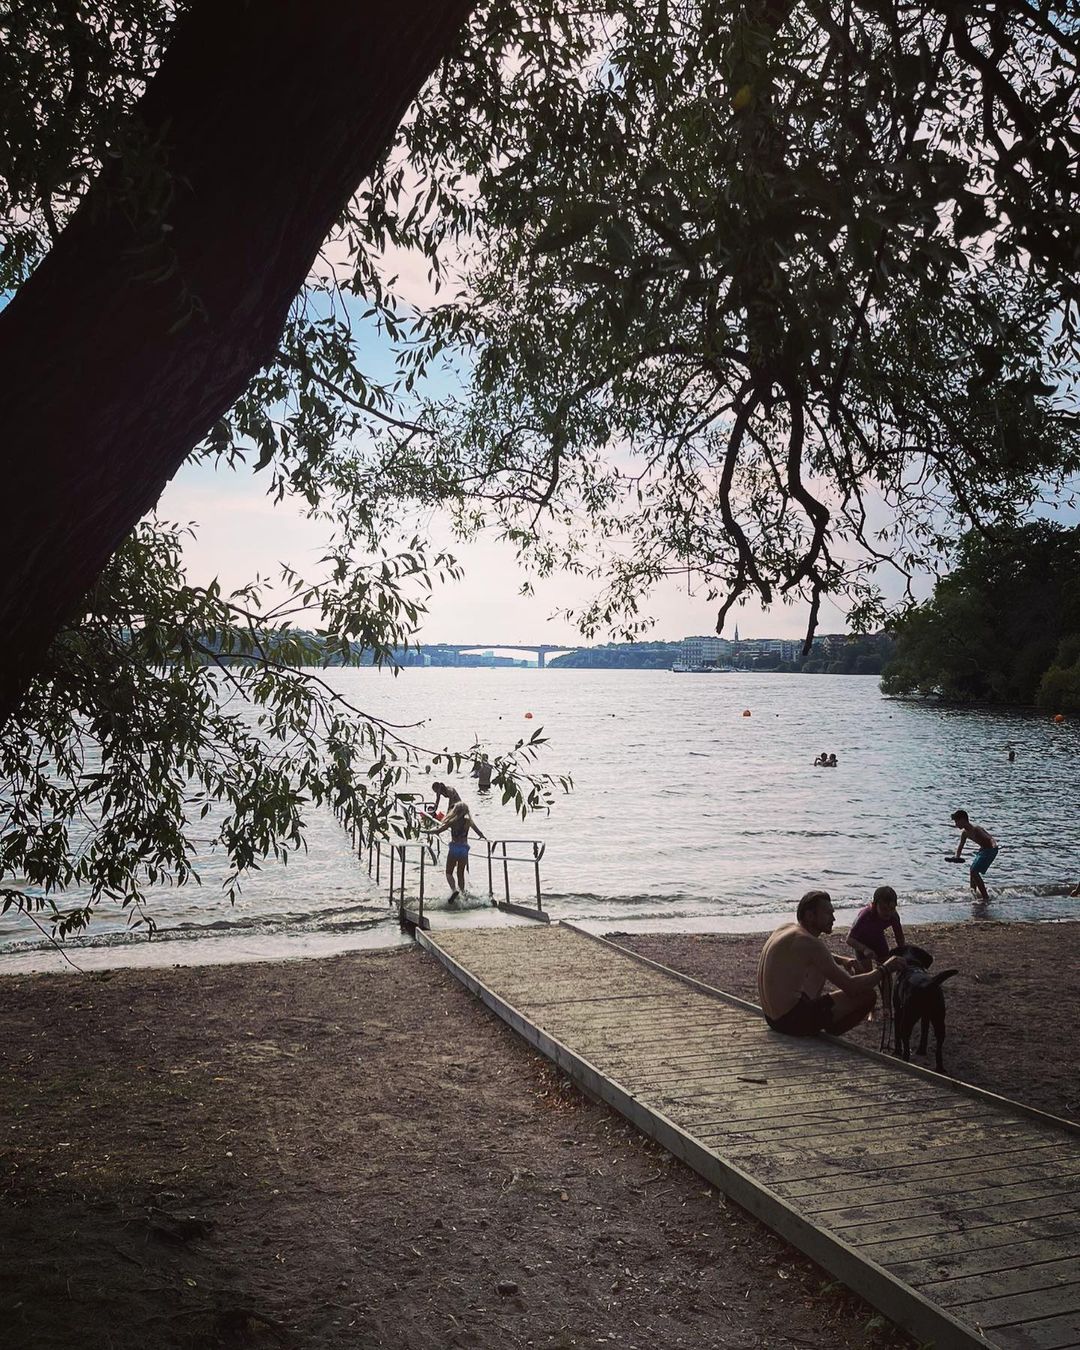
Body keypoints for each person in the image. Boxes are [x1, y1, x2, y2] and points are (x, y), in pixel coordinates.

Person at [757, 891, 901, 1037]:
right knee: (868, 995)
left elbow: (814, 956)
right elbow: (851, 987)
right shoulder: (811, 943)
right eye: (828, 914)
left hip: (772, 1018)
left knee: (818, 969)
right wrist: (885, 968)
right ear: (810, 916)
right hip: (790, 1022)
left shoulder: (787, 929)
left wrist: (841, 960)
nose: (833, 918)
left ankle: (820, 1019)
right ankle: (831, 1029)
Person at [427, 798, 486, 901]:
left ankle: (454, 890)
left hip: (454, 848)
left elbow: (438, 831)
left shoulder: (452, 821)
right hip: (464, 849)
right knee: (460, 873)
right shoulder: (468, 822)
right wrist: (483, 837)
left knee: (449, 872)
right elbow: (479, 833)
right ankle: (463, 894)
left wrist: (427, 832)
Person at [846, 885, 904, 970]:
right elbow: (849, 939)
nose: (888, 912)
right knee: (865, 972)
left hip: (878, 938)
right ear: (874, 905)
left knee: (886, 968)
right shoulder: (865, 916)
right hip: (861, 941)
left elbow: (899, 936)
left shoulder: (894, 916)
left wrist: (903, 951)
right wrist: (864, 949)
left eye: (891, 908)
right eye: (884, 909)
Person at [950, 809, 998, 903]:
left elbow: (990, 838)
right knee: (972, 871)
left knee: (974, 871)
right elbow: (960, 847)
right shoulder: (964, 833)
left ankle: (985, 897)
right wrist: (957, 857)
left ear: (963, 820)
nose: (956, 824)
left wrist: (994, 845)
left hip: (991, 850)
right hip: (983, 850)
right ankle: (973, 895)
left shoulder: (976, 829)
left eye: (957, 821)